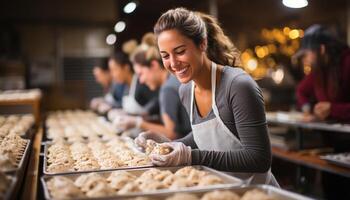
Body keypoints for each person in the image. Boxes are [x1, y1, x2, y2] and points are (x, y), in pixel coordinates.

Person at [134, 8, 279, 186]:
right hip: (220, 189)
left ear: (202, 44)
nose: (173, 63)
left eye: (180, 51)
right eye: (165, 56)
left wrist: (191, 156)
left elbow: (259, 158)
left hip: (256, 192)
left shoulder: (237, 86)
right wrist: (164, 144)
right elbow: (203, 137)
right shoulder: (186, 90)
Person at [114, 33, 191, 140]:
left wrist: (139, 123)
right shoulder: (172, 81)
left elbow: (171, 134)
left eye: (141, 74)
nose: (140, 80)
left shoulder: (167, 89)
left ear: (154, 65)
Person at [295, 24, 350, 123]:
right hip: (330, 134)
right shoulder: (318, 70)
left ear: (321, 49)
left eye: (306, 55)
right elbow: (301, 91)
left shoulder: (347, 63)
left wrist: (333, 109)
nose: (305, 60)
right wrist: (308, 109)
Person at [107, 51, 159, 118]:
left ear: (126, 67)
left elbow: (156, 101)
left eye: (115, 70)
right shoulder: (125, 86)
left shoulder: (141, 83)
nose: (113, 75)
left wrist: (141, 115)